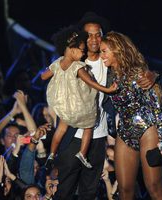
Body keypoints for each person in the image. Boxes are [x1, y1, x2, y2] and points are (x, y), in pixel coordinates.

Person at [53, 12, 157, 200]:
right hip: (73, 135)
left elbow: (134, 68)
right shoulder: (72, 62)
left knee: (90, 191)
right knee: (65, 190)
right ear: (82, 38)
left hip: (99, 136)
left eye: (98, 34)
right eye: (89, 35)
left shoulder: (109, 62)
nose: (93, 39)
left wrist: (154, 75)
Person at [99, 31, 162, 199]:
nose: (101, 55)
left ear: (116, 50)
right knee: (124, 190)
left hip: (147, 130)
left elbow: (155, 109)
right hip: (124, 132)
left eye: (104, 51)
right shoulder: (107, 76)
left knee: (153, 187)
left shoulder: (137, 73)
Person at [41, 25, 117, 169]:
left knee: (61, 129)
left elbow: (43, 76)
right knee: (89, 125)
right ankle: (82, 153)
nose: (83, 54)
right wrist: (107, 89)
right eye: (81, 51)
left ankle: (51, 153)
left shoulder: (57, 63)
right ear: (71, 49)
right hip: (79, 105)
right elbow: (91, 82)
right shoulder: (78, 66)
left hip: (64, 104)